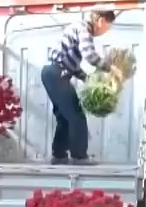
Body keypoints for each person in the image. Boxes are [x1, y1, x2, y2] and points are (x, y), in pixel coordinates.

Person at [40, 9, 118, 165]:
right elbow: (90, 55)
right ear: (101, 21)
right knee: (77, 115)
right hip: (57, 74)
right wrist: (110, 68)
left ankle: (59, 155)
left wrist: (89, 79)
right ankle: (79, 157)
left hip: (52, 73)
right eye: (107, 26)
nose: (106, 31)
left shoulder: (78, 28)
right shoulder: (84, 29)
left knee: (64, 117)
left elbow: (73, 66)